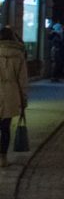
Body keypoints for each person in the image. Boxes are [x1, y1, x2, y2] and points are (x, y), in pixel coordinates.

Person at [0, 28, 27, 168]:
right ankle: (3, 158)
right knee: (5, 127)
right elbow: (22, 81)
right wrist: (24, 100)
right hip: (11, 93)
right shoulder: (18, 54)